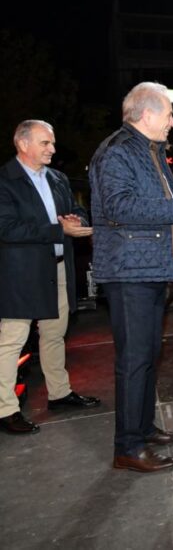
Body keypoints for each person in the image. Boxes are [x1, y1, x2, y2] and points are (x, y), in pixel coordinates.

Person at [90, 83, 173, 472]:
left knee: (147, 356)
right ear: (146, 115)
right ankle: (127, 447)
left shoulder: (149, 151)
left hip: (149, 268)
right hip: (129, 272)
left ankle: (143, 428)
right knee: (134, 360)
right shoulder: (117, 152)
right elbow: (119, 207)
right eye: (168, 114)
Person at [0, 120, 99, 435]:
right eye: (45, 143)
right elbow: (7, 228)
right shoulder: (5, 180)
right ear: (23, 144)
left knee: (55, 333)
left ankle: (59, 393)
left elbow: (75, 212)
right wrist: (59, 229)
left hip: (57, 266)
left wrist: (76, 219)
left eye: (52, 143)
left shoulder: (57, 178)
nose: (53, 149)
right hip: (22, 272)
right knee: (12, 340)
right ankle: (5, 410)